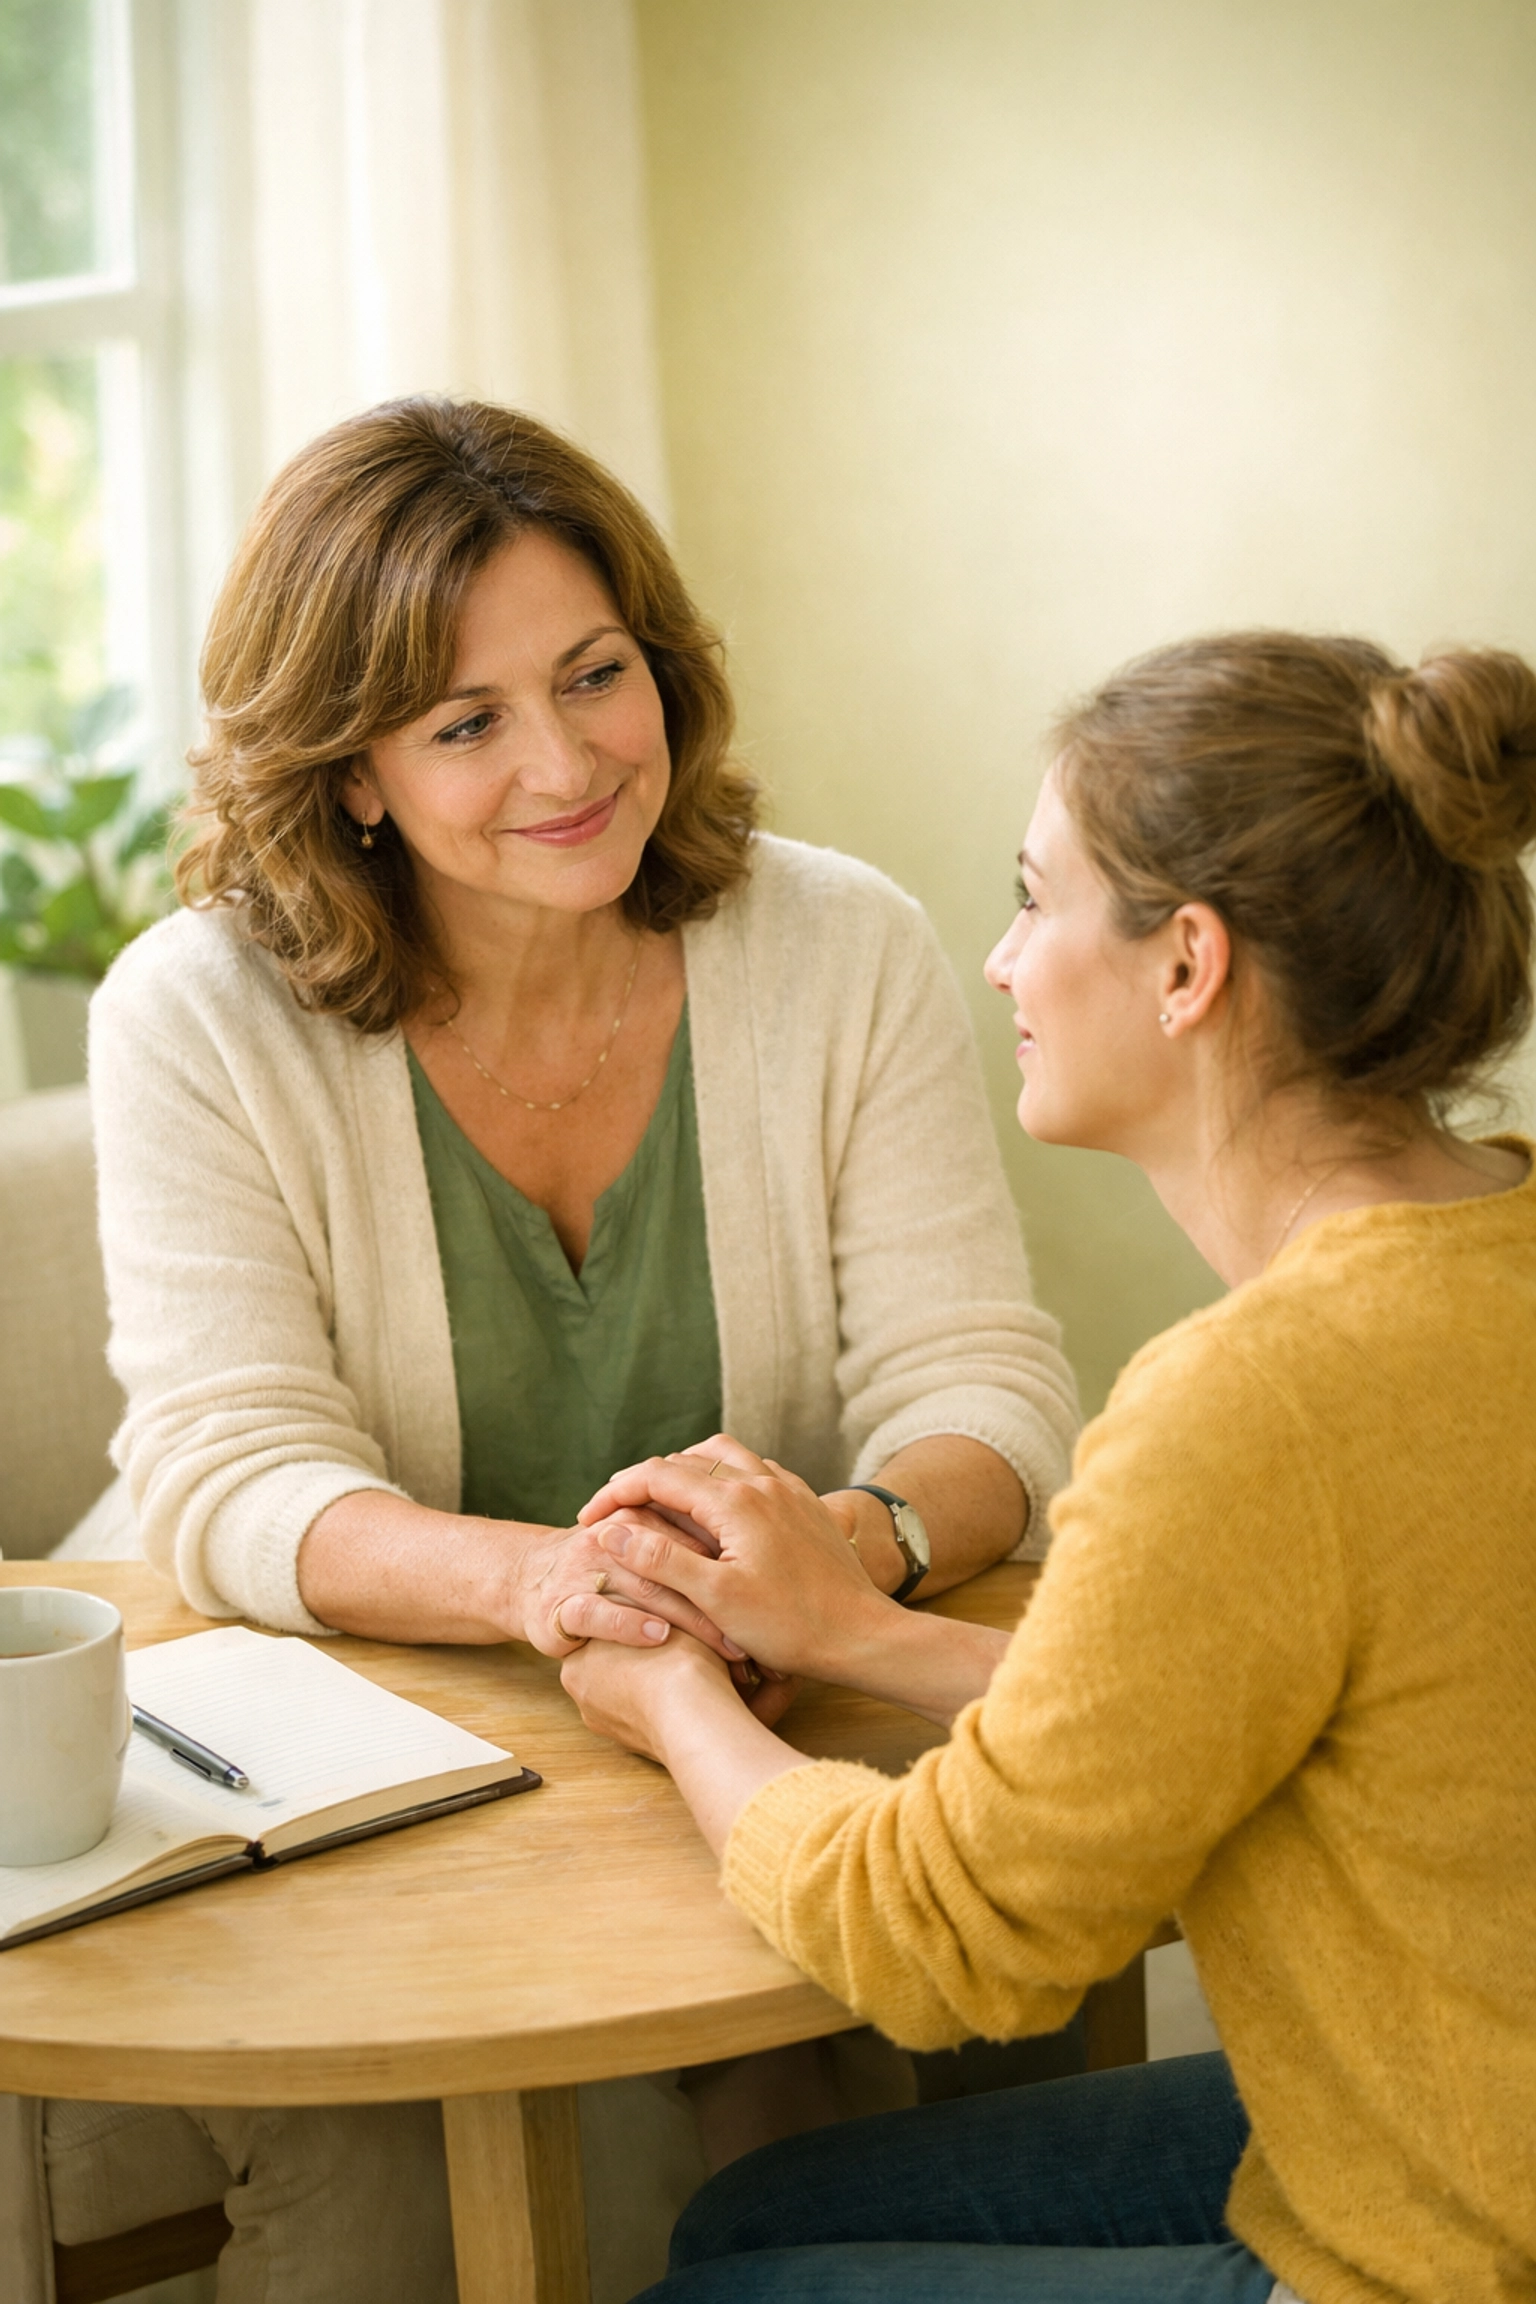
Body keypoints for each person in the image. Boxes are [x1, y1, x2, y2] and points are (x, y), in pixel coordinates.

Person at [23, 399, 1077, 2304]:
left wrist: (849, 1547)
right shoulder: (193, 1014)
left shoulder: (839, 947)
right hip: (350, 1760)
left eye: (597, 674)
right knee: (446, 2213)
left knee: (859, 2139)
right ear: (351, 773)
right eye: (465, 721)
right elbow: (229, 1469)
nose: (572, 758)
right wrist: (566, 1588)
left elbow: (984, 1389)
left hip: (743, 1723)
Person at [560, 631, 1536, 2303]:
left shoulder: (1259, 1400)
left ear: (1187, 968)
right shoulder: (1490, 1239)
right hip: (1477, 2125)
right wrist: (860, 1634)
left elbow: (944, 1939)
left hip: (1446, 2249)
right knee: (755, 2215)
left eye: (1033, 900)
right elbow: (1296, 1710)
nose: (1002, 964)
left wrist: (670, 1708)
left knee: (712, 2293)